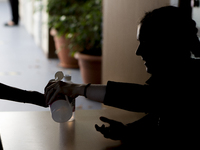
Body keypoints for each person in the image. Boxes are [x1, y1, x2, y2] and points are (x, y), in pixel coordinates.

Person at [45, 6, 200, 148]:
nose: (138, 52)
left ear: (168, 44)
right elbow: (161, 115)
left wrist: (79, 89)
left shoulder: (190, 81)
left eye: (146, 43)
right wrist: (128, 131)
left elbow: (146, 98)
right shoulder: (175, 76)